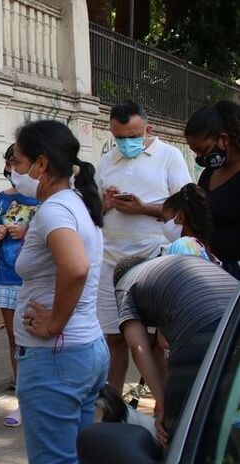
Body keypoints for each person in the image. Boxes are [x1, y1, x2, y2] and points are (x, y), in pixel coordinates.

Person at [12, 119, 108, 464]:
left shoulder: (54, 210)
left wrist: (54, 323)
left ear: (42, 163)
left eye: (18, 161)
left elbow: (76, 267)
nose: (14, 169)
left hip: (57, 357)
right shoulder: (77, 204)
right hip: (83, 352)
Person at [97, 100, 191, 393]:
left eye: (133, 136)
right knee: (113, 338)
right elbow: (94, 212)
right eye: (120, 137)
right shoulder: (107, 161)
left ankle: (165, 408)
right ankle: (113, 407)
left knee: (151, 342)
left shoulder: (169, 157)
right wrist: (106, 204)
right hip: (110, 262)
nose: (126, 142)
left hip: (152, 262)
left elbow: (186, 207)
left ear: (147, 129)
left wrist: (144, 208)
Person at [113, 254, 238, 446]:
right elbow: (162, 344)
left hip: (201, 324)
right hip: (233, 314)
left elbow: (138, 347)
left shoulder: (125, 284)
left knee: (178, 424)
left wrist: (163, 405)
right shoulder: (164, 270)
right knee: (227, 406)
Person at [0, 144, 39, 428]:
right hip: (7, 278)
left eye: (18, 162)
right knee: (14, 338)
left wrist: (27, 231)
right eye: (11, 163)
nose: (13, 169)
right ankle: (22, 399)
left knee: (38, 339)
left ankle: (38, 397)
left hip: (36, 282)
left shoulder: (44, 199)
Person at [185, 100, 240, 279]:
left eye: (203, 150)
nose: (200, 158)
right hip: (211, 270)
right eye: (196, 152)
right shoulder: (208, 175)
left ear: (224, 139)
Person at [159, 183, 217, 262]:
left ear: (180, 217)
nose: (164, 225)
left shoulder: (182, 245)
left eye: (165, 220)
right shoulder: (203, 247)